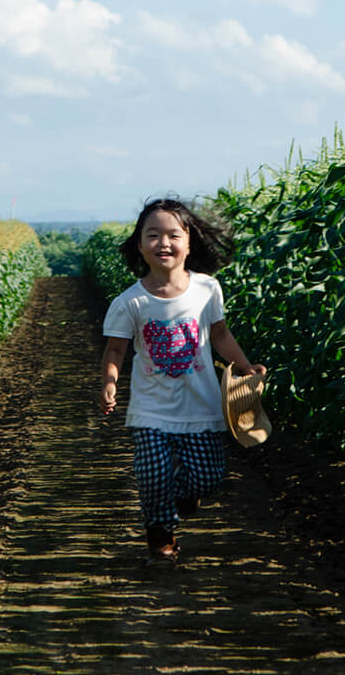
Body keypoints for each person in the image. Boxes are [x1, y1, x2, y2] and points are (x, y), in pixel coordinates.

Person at [98, 196, 266, 563]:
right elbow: (115, 351)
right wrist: (110, 382)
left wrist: (245, 365)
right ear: (139, 245)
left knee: (208, 478)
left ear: (190, 243)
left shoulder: (207, 289)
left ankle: (182, 501)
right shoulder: (131, 302)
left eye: (173, 234)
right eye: (153, 235)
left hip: (200, 404)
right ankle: (160, 533)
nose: (164, 243)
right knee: (153, 475)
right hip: (151, 409)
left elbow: (220, 335)